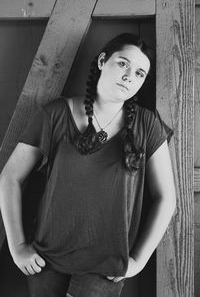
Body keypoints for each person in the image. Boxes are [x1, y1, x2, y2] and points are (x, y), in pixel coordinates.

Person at [0, 33, 176, 297]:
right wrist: (18, 247)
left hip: (105, 266)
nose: (130, 75)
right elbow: (10, 177)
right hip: (46, 260)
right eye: (123, 64)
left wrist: (138, 260)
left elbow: (167, 199)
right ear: (103, 61)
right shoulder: (56, 113)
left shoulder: (147, 125)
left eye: (140, 73)